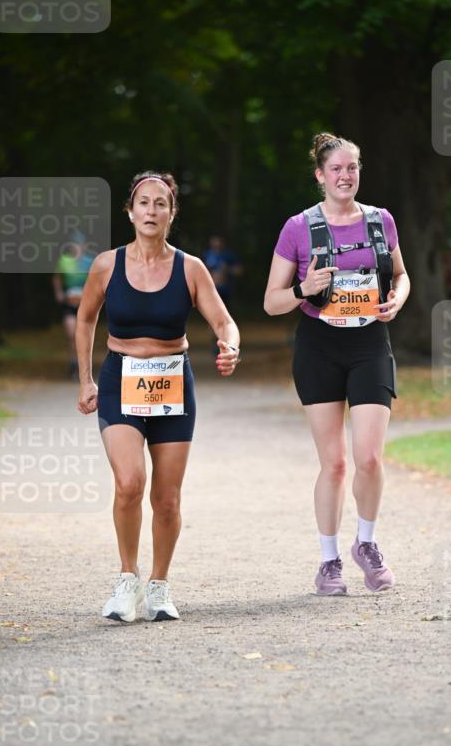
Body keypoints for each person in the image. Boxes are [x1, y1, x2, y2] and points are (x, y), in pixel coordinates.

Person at [76, 171, 240, 622]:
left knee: (166, 498)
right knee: (130, 483)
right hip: (121, 380)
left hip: (173, 383)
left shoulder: (191, 268)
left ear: (171, 213)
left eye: (160, 204)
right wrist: (86, 379)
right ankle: (127, 579)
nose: (151, 211)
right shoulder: (107, 266)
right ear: (130, 211)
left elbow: (224, 322)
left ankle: (159, 585)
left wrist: (231, 346)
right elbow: (86, 320)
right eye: (143, 203)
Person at [264, 132, 410, 596]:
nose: (346, 176)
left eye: (353, 168)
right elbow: (271, 303)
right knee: (335, 464)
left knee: (369, 457)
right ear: (320, 176)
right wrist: (305, 288)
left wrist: (397, 301)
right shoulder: (298, 227)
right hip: (319, 346)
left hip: (370, 341)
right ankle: (328, 561)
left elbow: (402, 276)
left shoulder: (380, 221)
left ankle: (365, 544)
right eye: (337, 169)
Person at [52, 235, 94, 379]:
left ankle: (85, 366)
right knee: (71, 334)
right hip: (69, 303)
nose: (76, 248)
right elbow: (57, 278)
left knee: (84, 335)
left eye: (79, 245)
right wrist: (59, 293)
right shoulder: (64, 261)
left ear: (84, 246)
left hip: (85, 304)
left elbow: (96, 280)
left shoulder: (89, 262)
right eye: (74, 245)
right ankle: (73, 363)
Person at [202, 234, 243, 306]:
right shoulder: (207, 254)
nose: (216, 244)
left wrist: (227, 269)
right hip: (210, 290)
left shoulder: (229, 254)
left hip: (225, 290)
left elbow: (239, 270)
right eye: (214, 241)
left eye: (218, 241)